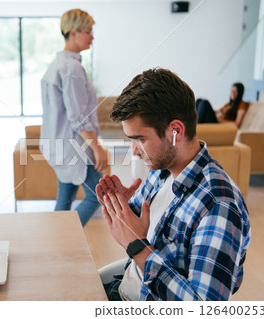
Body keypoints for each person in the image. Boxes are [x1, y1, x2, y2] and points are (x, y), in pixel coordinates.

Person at [95, 68, 251, 301]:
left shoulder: (218, 205)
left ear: (175, 131)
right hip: (122, 290)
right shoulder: (161, 172)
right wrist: (121, 207)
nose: (134, 152)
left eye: (140, 139)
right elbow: (141, 226)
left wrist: (138, 248)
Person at [40, 9, 107, 226]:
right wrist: (97, 148)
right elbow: (78, 117)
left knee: (65, 196)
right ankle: (66, 236)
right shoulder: (71, 68)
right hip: (74, 148)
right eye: (88, 32)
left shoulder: (56, 66)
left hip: (59, 146)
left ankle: (59, 240)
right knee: (97, 195)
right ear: (72, 33)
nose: (92, 37)